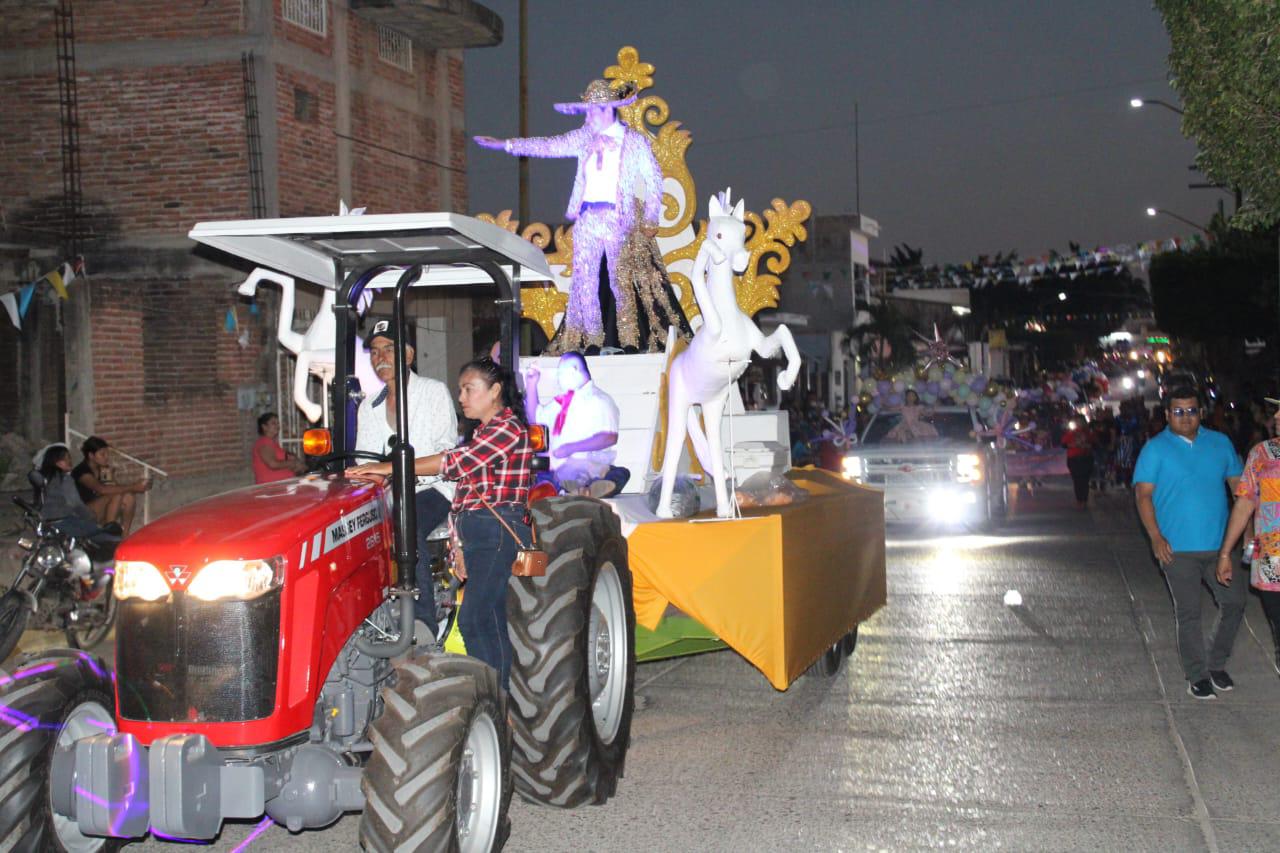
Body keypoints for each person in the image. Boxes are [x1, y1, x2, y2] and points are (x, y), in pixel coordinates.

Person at [348, 357, 532, 688]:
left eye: (468, 389)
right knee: (483, 619)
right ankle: (495, 695)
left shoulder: (508, 428)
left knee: (478, 617)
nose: (461, 398)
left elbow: (455, 464)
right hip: (479, 532)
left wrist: (392, 467)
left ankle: (495, 695)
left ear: (495, 391)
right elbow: (463, 500)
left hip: (497, 530)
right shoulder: (484, 432)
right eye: (460, 390)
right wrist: (457, 548)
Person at [475, 79, 669, 354]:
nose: (588, 116)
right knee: (586, 280)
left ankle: (629, 340)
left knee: (620, 280)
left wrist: (650, 218)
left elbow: (654, 180)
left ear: (606, 110)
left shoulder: (634, 142)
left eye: (592, 110)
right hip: (588, 216)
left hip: (617, 218)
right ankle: (592, 339)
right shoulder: (583, 139)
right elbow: (549, 145)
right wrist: (505, 145)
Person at [1133, 387, 1245, 700]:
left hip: (1220, 547)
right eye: (1178, 411)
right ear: (1167, 415)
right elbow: (1143, 495)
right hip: (1176, 549)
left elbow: (1240, 490)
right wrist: (1155, 536)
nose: (1186, 417)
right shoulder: (1155, 449)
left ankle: (1216, 662)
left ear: (1201, 412)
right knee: (1189, 613)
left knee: (1234, 602)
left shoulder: (1220, 443)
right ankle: (1197, 675)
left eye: (1192, 410)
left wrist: (1247, 531)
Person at [355, 318, 459, 641]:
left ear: (409, 355)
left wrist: (392, 471)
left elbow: (445, 458)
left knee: (406, 517)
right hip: (389, 494)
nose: (380, 358)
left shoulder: (433, 392)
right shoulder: (368, 408)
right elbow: (365, 465)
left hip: (435, 489)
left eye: (389, 349)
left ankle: (423, 620)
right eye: (374, 351)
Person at [1216, 398, 1280, 676]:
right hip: (1271, 558)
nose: (1276, 415)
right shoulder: (1263, 454)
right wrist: (1225, 553)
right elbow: (1244, 504)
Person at [524, 353, 629, 498]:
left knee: (620, 473)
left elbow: (609, 437)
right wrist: (531, 384)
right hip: (558, 469)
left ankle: (588, 487)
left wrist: (571, 448)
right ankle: (572, 489)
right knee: (542, 476)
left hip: (589, 466)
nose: (558, 379)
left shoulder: (599, 400)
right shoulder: (561, 401)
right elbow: (535, 419)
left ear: (574, 371)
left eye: (560, 374)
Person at [39, 445, 120, 546]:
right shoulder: (67, 478)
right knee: (112, 539)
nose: (70, 461)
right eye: (66, 459)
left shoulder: (45, 478)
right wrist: (90, 517)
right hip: (66, 522)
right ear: (58, 463)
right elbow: (75, 503)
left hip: (48, 523)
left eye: (69, 458)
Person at [73, 436, 150, 534]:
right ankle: (109, 533)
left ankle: (125, 534)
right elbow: (102, 490)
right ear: (91, 456)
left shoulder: (104, 469)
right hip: (84, 512)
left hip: (102, 507)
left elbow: (114, 487)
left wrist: (136, 488)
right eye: (102, 454)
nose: (106, 457)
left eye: (107, 454)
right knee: (116, 495)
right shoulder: (82, 471)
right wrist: (133, 486)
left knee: (128, 497)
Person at [253, 412, 306, 483]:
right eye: (273, 423)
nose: (277, 426)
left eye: (278, 423)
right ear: (264, 427)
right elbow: (273, 464)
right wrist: (293, 463)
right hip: (272, 488)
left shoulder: (273, 443)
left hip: (283, 485)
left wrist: (297, 466)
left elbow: (282, 463)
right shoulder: (264, 442)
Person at [1061, 420, 1094, 509]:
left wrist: (1086, 446)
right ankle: (1080, 500)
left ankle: (1083, 500)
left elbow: (1094, 444)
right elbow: (1064, 444)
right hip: (1074, 459)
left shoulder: (1088, 433)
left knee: (1084, 480)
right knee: (1078, 480)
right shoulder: (1071, 433)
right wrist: (1073, 445)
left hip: (1085, 458)